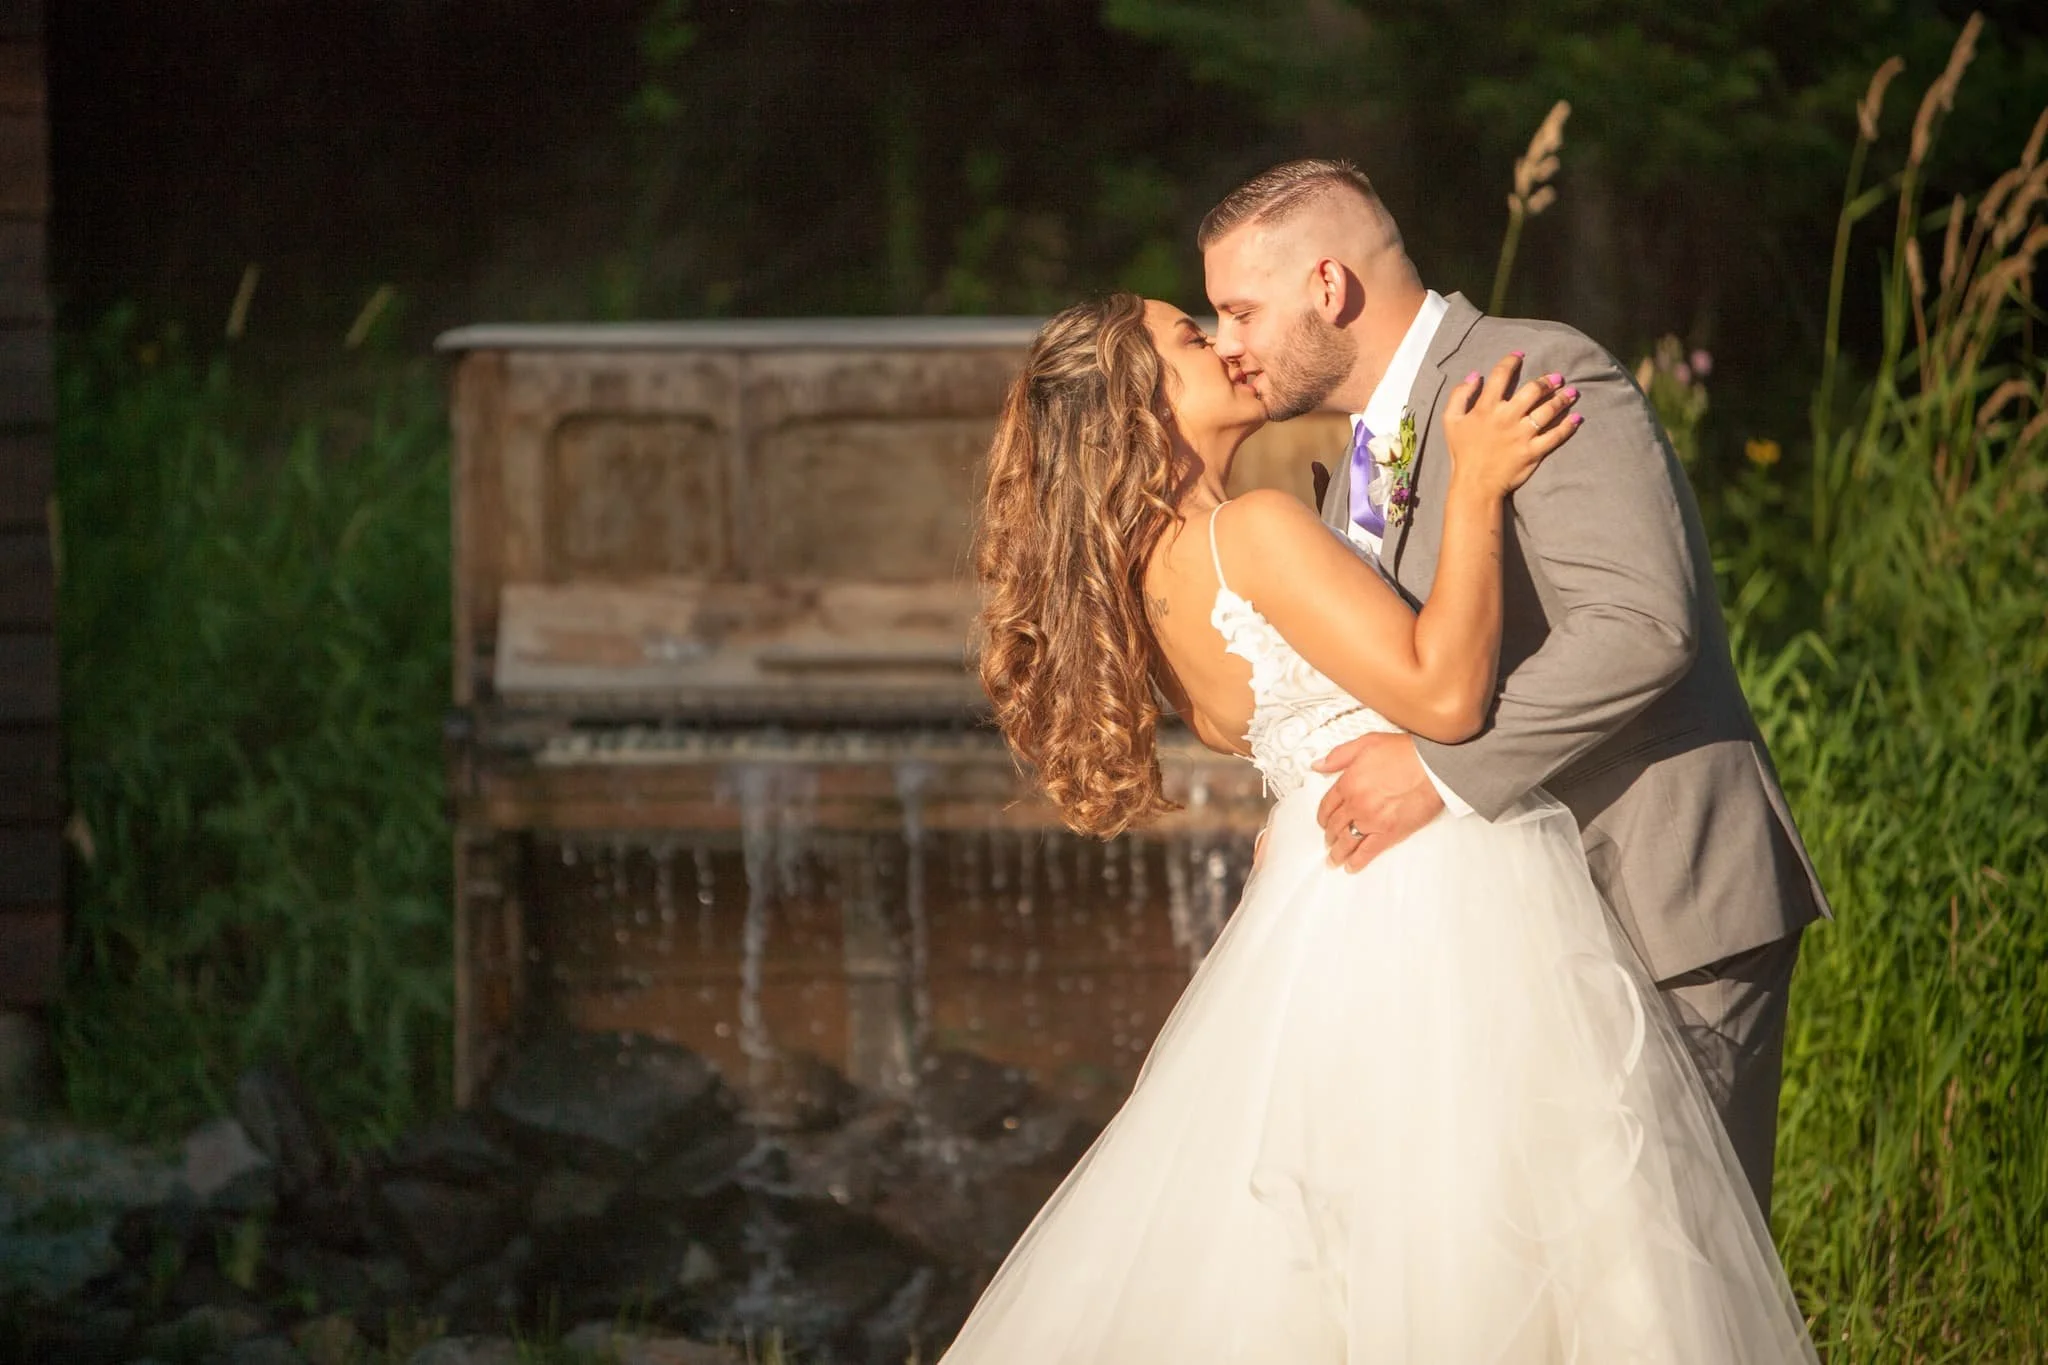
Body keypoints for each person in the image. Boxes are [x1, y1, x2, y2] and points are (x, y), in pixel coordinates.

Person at [941, 288, 1819, 1360]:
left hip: (1320, 902)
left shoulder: (1150, 597)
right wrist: (1478, 488)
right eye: (1188, 338)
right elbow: (1444, 697)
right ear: (1139, 402)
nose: (1220, 346)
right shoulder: (1249, 532)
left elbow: (1288, 742)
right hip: (1434, 897)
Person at [1202, 159, 1828, 1216]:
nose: (1226, 346)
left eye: (1237, 311)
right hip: (1523, 924)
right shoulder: (1366, 448)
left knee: (1669, 1285)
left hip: (1656, 898)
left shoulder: (1533, 370)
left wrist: (1438, 771)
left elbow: (1639, 627)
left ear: (1326, 287)